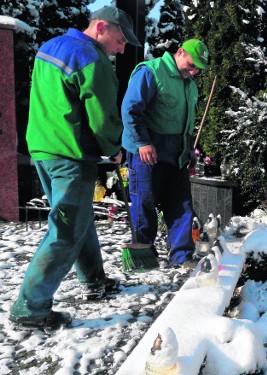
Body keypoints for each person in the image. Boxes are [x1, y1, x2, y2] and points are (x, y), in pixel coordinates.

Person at [9, 7, 142, 330]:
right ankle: (31, 306)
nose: (121, 48)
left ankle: (94, 280)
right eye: (120, 39)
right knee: (66, 229)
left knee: (79, 220)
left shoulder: (50, 47)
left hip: (44, 147)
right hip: (70, 154)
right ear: (100, 27)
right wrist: (114, 149)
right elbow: (102, 115)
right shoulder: (91, 59)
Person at [121, 39, 209, 268]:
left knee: (181, 204)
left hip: (176, 153)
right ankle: (143, 254)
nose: (194, 72)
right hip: (147, 151)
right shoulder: (150, 72)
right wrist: (142, 142)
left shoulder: (189, 85)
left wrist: (189, 149)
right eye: (191, 65)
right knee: (145, 202)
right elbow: (131, 109)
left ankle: (181, 255)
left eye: (198, 68)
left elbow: (187, 122)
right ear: (180, 52)